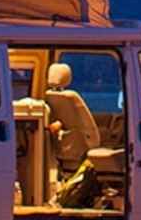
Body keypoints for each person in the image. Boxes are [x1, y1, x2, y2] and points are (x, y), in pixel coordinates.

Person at [41, 61, 103, 203]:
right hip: (81, 148)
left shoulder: (50, 96)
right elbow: (90, 133)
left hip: (65, 149)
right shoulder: (71, 97)